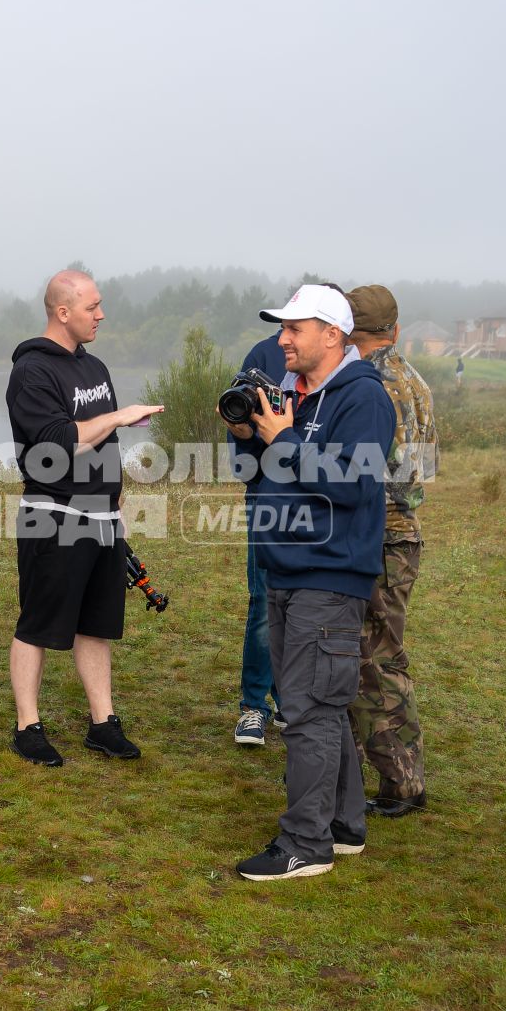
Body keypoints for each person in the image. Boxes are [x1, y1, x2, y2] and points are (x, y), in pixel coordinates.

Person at [226, 284, 395, 879]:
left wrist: (286, 440)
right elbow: (254, 469)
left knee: (308, 710)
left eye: (293, 329)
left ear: (332, 334)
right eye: (282, 328)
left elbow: (354, 482)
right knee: (321, 704)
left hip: (329, 574)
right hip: (287, 569)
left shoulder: (364, 399)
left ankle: (304, 844)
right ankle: (343, 826)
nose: (282, 340)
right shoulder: (295, 396)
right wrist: (251, 435)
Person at [5, 269, 163, 767]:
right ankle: (27, 726)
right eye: (92, 307)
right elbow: (55, 442)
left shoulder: (93, 366)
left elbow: (102, 442)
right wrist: (117, 417)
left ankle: (103, 723)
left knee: (95, 624)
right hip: (53, 514)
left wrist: (113, 496)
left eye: (100, 305)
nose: (101, 314)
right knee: (38, 622)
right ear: (62, 311)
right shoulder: (32, 371)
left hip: (102, 517)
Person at [345, 285, 437, 817]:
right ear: (395, 330)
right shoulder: (416, 379)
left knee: (375, 660)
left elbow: (392, 479)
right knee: (376, 655)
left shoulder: (374, 385)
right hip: (402, 533)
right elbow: (427, 469)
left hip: (381, 535)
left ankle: (401, 781)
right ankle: (373, 770)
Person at [228, 319, 287, 746]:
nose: (287, 333)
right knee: (265, 599)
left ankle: (291, 699)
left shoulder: (345, 368)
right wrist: (240, 426)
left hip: (322, 498)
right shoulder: (263, 355)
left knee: (310, 601)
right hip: (268, 492)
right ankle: (254, 707)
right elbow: (242, 437)